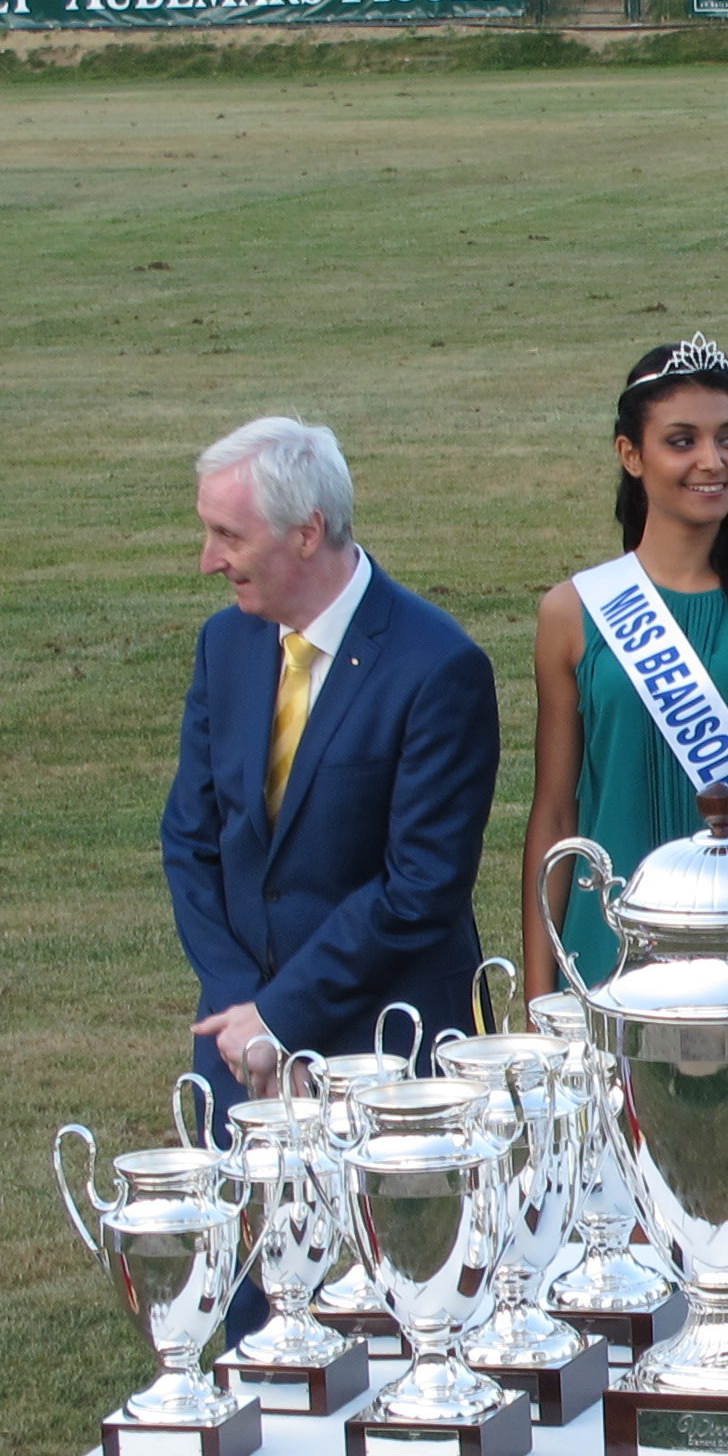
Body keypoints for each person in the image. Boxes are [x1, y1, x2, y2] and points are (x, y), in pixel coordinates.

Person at [162, 415, 499, 1126]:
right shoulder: (225, 644)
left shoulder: (437, 667)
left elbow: (421, 886)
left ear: (306, 533)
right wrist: (239, 1009)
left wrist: (279, 1017)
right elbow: (191, 840)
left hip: (388, 1056)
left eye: (229, 536)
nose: (207, 559)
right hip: (238, 1054)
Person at [520, 334, 728, 993]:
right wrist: (540, 997)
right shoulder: (573, 613)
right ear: (631, 455)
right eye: (682, 441)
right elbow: (556, 817)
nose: (713, 460)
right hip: (610, 962)